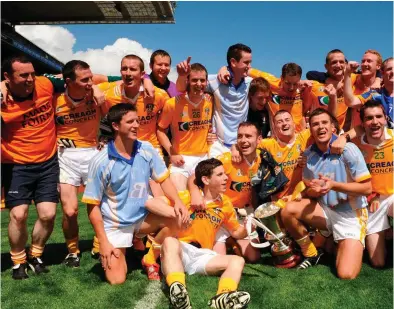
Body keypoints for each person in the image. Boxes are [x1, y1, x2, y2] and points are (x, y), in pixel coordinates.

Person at [82, 103, 189, 284]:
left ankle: (146, 249)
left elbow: (163, 179)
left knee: (180, 218)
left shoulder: (146, 149)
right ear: (116, 126)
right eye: (130, 121)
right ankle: (125, 244)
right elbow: (92, 206)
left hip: (142, 217)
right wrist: (103, 242)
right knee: (116, 280)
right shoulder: (101, 161)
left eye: (137, 121)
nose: (136, 125)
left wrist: (177, 201)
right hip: (116, 224)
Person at [281, 108, 372, 279]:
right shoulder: (308, 154)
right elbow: (309, 189)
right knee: (288, 210)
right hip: (325, 210)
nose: (320, 127)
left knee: (346, 274)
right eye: (315, 124)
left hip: (351, 214)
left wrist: (333, 185)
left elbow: (366, 188)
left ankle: (332, 240)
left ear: (333, 128)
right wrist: (313, 191)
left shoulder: (349, 149)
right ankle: (312, 252)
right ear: (310, 129)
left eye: (324, 123)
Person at [1, 55, 64, 279]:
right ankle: (18, 261)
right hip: (15, 165)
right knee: (19, 215)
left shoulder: (45, 84)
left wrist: (145, 78)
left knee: (47, 215)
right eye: (23, 75)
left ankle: (35, 254)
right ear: (7, 77)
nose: (30, 79)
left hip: (47, 162)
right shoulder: (2, 99)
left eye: (32, 73)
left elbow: (80, 77)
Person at [159, 158, 251, 309]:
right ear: (206, 180)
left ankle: (223, 297)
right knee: (169, 241)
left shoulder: (226, 203)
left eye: (225, 174)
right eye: (220, 175)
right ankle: (179, 293)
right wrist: (174, 214)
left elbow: (236, 232)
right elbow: (153, 203)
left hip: (203, 255)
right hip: (180, 250)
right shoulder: (186, 197)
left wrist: (248, 227)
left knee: (237, 261)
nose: (226, 178)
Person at [55, 60, 107, 267]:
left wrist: (94, 85)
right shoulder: (54, 98)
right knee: (69, 211)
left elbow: (119, 80)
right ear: (68, 81)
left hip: (93, 153)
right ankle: (73, 250)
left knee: (98, 205)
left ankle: (99, 243)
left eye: (90, 78)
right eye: (84, 80)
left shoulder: (96, 91)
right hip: (65, 156)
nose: (89, 82)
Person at [187, 122, 262, 262]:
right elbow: (193, 177)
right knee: (216, 259)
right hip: (220, 213)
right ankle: (228, 241)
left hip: (242, 215)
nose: (243, 140)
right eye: (240, 136)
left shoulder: (262, 158)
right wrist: (195, 193)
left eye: (248, 136)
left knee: (254, 257)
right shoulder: (227, 159)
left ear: (259, 140)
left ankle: (232, 241)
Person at [333, 100, 393, 268]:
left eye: (378, 117)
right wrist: (343, 137)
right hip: (371, 203)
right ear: (363, 123)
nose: (375, 122)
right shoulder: (354, 146)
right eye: (369, 118)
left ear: (386, 118)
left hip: (392, 198)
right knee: (378, 261)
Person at [176, 43, 253, 157]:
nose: (250, 66)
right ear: (233, 62)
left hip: (241, 144)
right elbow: (182, 89)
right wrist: (182, 75)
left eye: (250, 62)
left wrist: (224, 68)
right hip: (218, 144)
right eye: (246, 62)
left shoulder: (250, 82)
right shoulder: (214, 80)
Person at [157, 63, 213, 190]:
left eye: (202, 80)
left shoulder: (210, 101)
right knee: (180, 196)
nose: (199, 84)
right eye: (194, 80)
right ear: (187, 81)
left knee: (205, 199)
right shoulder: (173, 104)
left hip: (204, 157)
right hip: (181, 159)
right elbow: (160, 130)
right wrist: (172, 153)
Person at [343, 57, 393, 126]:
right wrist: (347, 73)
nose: (393, 72)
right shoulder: (375, 94)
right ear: (382, 73)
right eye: (389, 69)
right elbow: (350, 102)